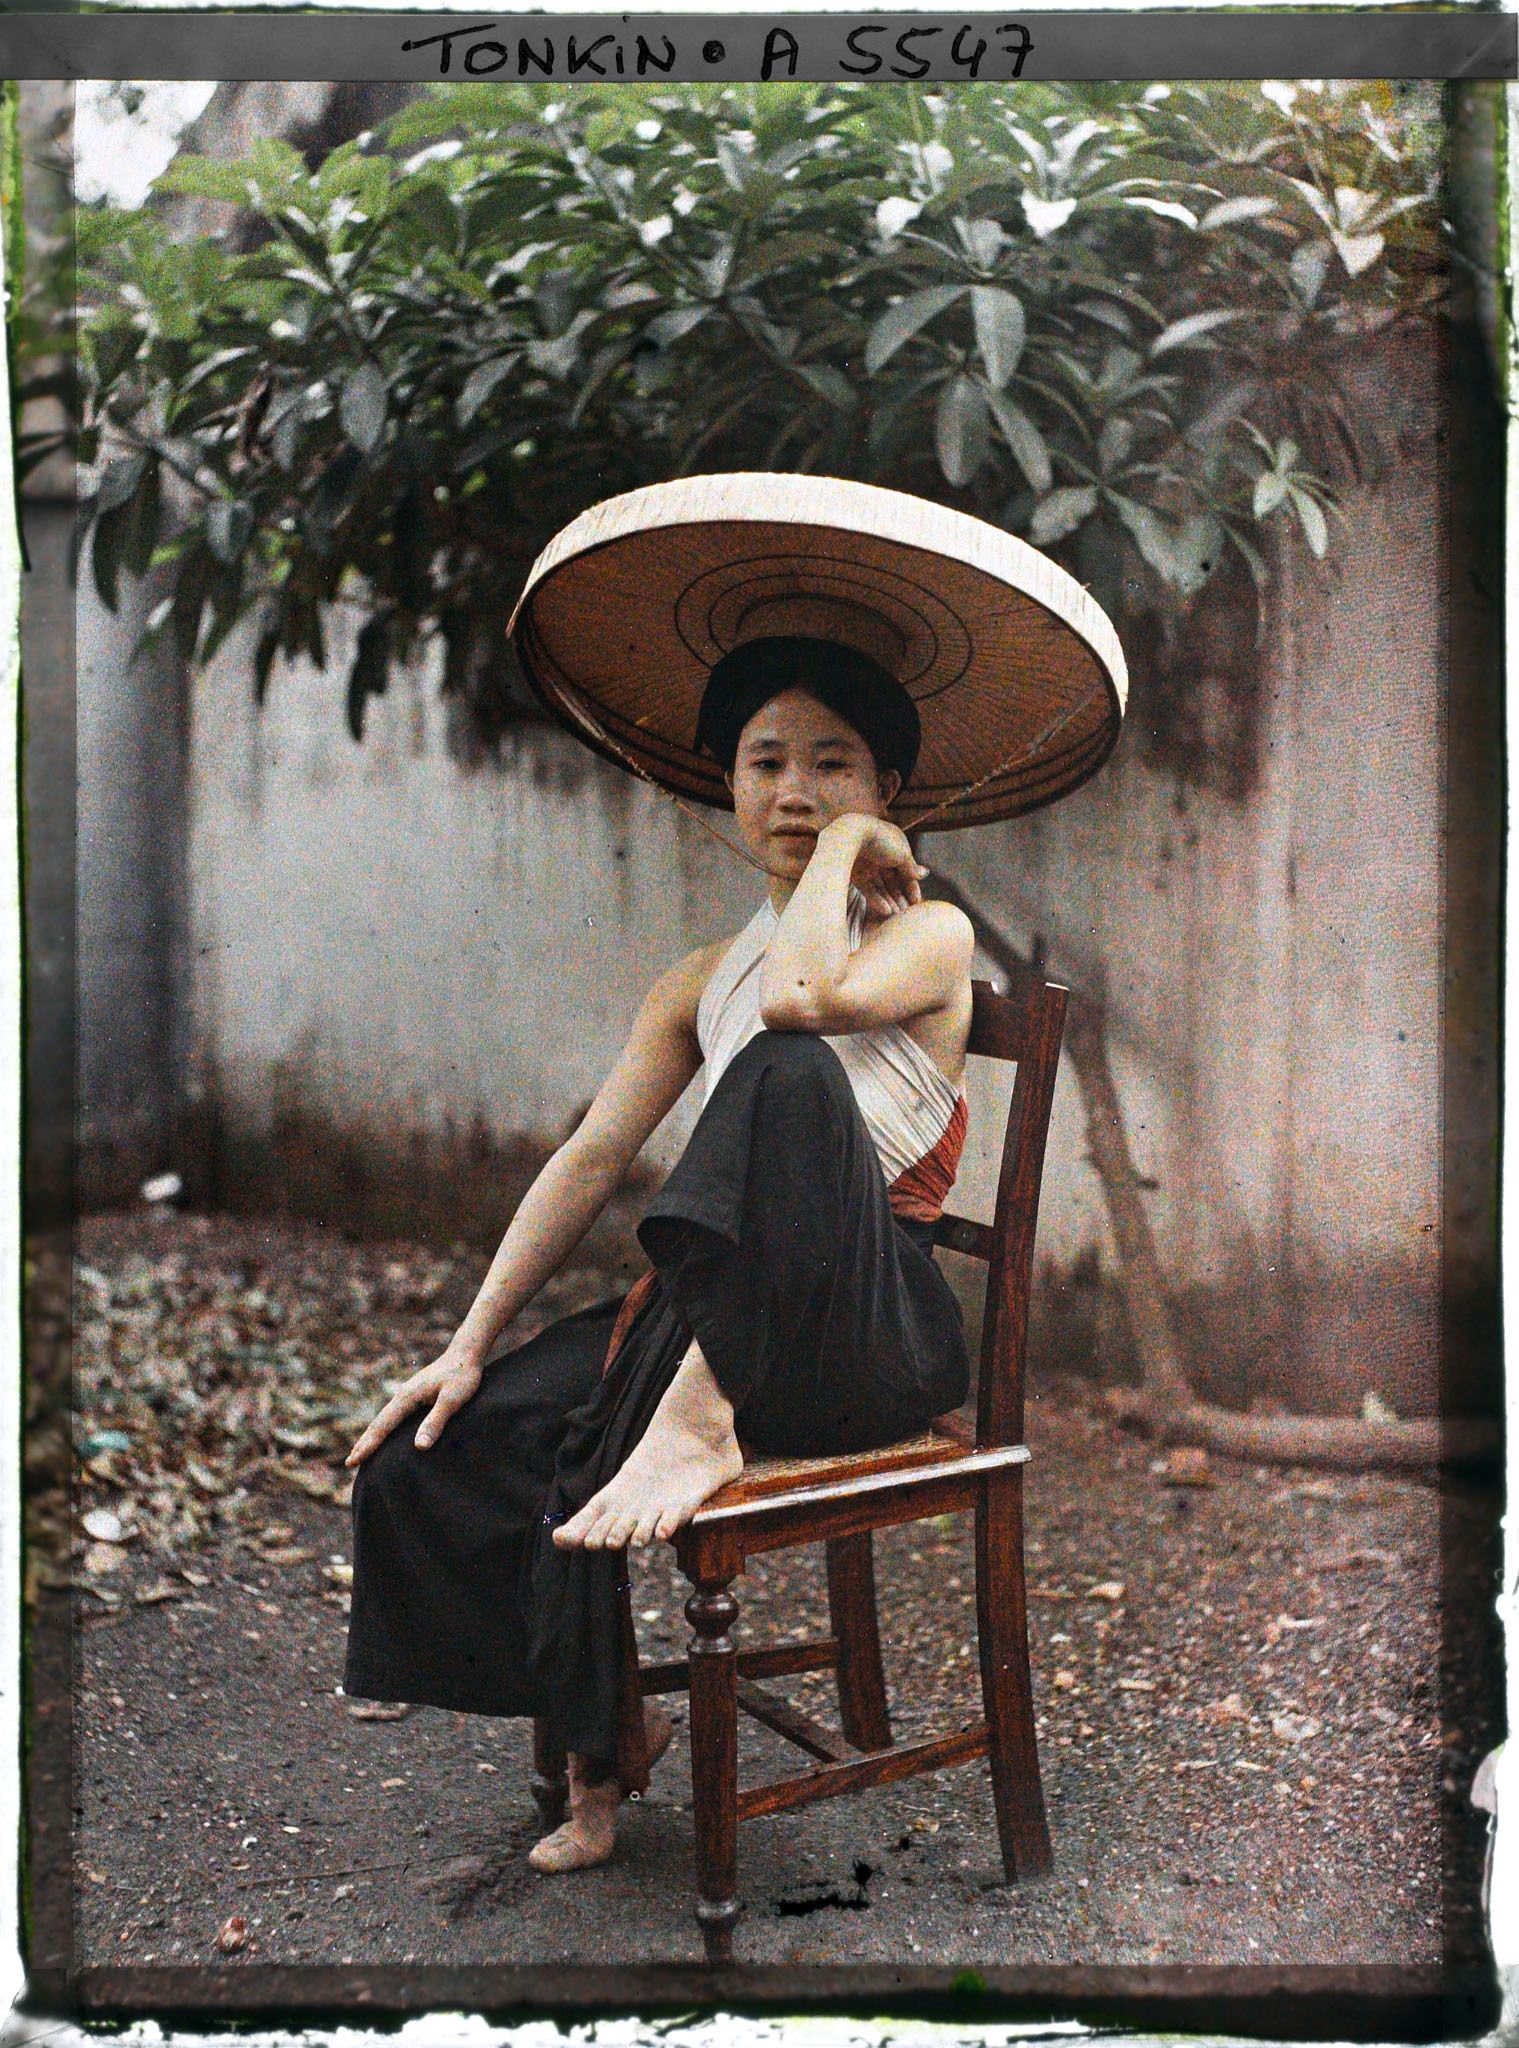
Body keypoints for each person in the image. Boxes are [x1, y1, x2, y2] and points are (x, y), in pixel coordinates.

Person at [342, 634, 979, 1874]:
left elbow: (800, 1006)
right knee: (440, 1446)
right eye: (766, 763)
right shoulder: (701, 976)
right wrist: (465, 1348)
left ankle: (697, 1416)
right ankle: (602, 1727)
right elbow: (588, 1158)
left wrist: (853, 852)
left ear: (889, 788)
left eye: (833, 765)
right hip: (724, 1305)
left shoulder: (932, 935)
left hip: (865, 1326)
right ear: (728, 787)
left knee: (786, 1066)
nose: (794, 792)